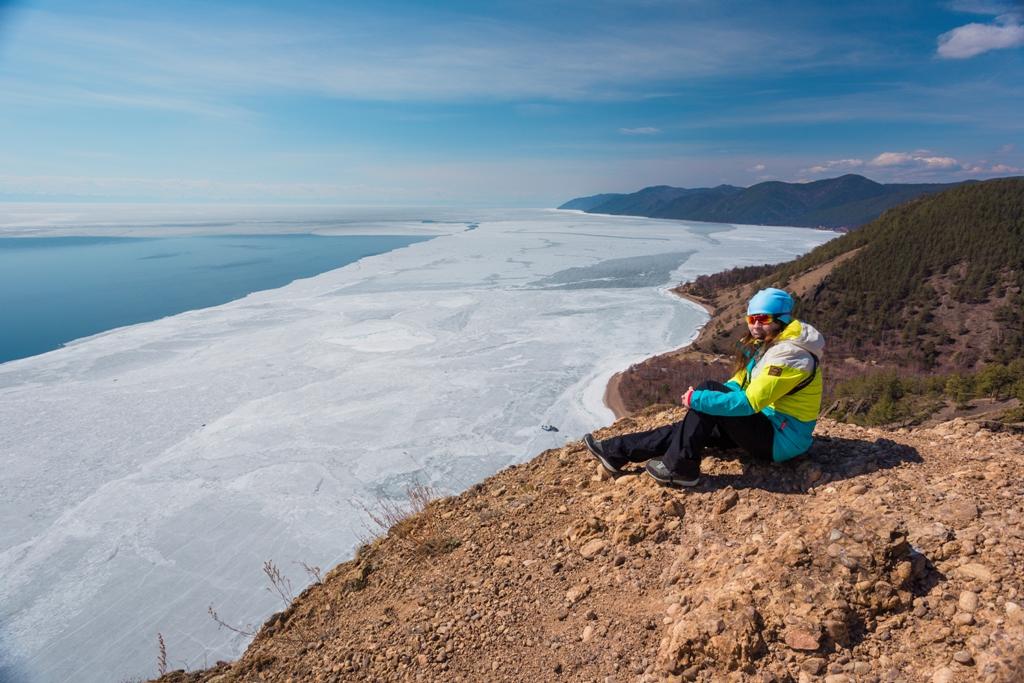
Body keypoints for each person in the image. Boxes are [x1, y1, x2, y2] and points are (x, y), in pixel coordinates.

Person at [584, 287, 825, 487]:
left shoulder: (791, 357)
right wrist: (711, 399)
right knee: (689, 428)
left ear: (781, 320)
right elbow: (741, 381)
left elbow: (750, 402)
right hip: (766, 424)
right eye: (751, 319)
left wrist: (700, 399)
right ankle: (615, 451)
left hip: (780, 440)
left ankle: (681, 468)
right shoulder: (771, 344)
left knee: (707, 396)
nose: (755, 326)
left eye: (763, 319)